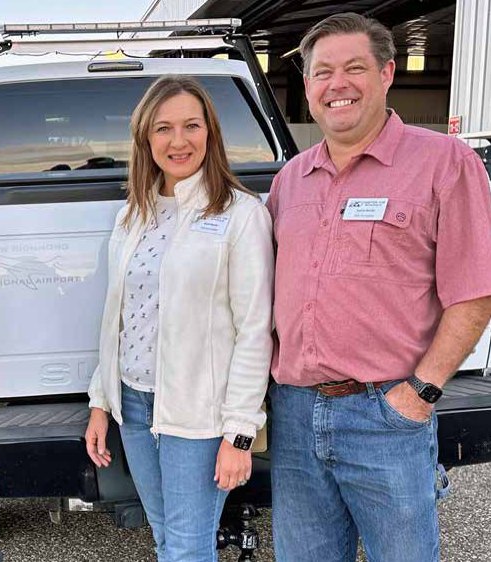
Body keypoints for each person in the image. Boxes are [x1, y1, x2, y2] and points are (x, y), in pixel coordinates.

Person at [267, 13, 491, 562]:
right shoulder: (289, 180)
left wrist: (421, 393)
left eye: (353, 68)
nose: (336, 85)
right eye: (322, 73)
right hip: (294, 413)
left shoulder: (444, 162)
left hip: (385, 412)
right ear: (308, 86)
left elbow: (476, 290)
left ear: (388, 72)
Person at [84, 75, 274, 562]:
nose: (178, 140)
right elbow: (118, 316)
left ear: (210, 132)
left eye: (191, 125)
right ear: (146, 139)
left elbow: (255, 330)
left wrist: (239, 433)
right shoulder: (133, 215)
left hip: (197, 414)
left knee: (189, 546)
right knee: (165, 535)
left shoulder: (241, 214)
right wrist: (101, 401)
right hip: (135, 403)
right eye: (163, 128)